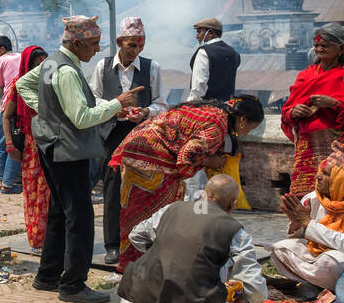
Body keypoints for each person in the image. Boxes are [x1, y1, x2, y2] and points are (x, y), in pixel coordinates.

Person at [14, 15, 144, 303]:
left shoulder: (51, 62)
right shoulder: (68, 71)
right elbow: (82, 118)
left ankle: (47, 275)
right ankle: (73, 284)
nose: (96, 50)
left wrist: (48, 112)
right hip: (67, 150)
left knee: (60, 211)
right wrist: (116, 104)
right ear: (76, 42)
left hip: (51, 144)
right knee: (80, 218)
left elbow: (23, 85)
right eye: (93, 43)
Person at [110, 95, 265, 271]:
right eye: (252, 127)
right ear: (243, 119)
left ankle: (139, 265)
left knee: (138, 212)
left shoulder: (216, 114)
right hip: (151, 156)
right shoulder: (218, 125)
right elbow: (187, 155)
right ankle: (143, 267)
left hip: (140, 147)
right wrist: (210, 162)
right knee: (155, 215)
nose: (247, 133)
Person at [118, 175, 268, 303]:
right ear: (233, 203)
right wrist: (246, 300)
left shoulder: (172, 208)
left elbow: (136, 236)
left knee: (159, 253)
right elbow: (254, 285)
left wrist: (160, 251)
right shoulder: (235, 231)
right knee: (221, 260)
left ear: (203, 194)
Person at [87, 16, 167, 263]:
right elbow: (93, 99)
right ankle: (112, 244)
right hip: (112, 135)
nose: (136, 51)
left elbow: (161, 104)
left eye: (140, 46)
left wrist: (145, 112)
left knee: (142, 188)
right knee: (112, 189)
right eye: (131, 45)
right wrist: (114, 107)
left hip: (141, 136)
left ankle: (140, 241)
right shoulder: (103, 67)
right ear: (120, 42)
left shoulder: (152, 68)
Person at [280, 23, 344, 198]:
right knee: (304, 195)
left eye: (324, 45)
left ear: (341, 48)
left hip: (338, 145)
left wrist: (335, 104)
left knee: (338, 192)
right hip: (308, 146)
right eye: (316, 45)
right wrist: (294, 111)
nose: (319, 49)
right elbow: (287, 109)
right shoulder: (306, 75)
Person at [271, 141, 344, 291]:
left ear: (342, 181)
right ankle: (319, 285)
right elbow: (299, 237)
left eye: (326, 174)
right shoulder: (314, 198)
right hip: (322, 257)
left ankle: (342, 288)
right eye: (320, 171)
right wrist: (296, 224)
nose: (318, 176)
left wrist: (308, 223)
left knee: (332, 261)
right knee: (280, 249)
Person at [3, 45, 49, 252]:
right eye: (37, 65)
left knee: (50, 192)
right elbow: (6, 116)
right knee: (33, 193)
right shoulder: (19, 85)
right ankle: (37, 239)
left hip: (51, 143)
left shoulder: (53, 84)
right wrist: (10, 144)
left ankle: (52, 237)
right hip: (31, 145)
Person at [0, 36, 22, 194]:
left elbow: (1, 86)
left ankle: (1, 181)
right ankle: (6, 182)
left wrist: (4, 100)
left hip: (7, 105)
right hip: (21, 106)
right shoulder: (22, 56)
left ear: (2, 49)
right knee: (15, 143)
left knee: (4, 144)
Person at [188, 17, 240, 101]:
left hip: (208, 107)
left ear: (210, 33)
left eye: (199, 32)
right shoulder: (234, 53)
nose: (197, 36)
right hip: (227, 106)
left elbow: (199, 85)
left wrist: (191, 103)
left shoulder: (204, 52)